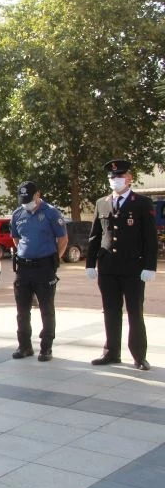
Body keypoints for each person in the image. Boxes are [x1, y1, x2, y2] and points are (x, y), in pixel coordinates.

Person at [86, 159, 158, 371]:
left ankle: (139, 356)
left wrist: (150, 266)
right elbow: (94, 237)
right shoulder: (102, 203)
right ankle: (111, 353)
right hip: (108, 268)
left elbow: (150, 238)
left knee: (135, 312)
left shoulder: (142, 203)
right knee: (110, 311)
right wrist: (90, 263)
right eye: (112, 177)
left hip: (133, 268)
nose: (115, 180)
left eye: (119, 177)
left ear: (129, 178)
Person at [9, 181, 68, 361]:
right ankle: (24, 346)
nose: (26, 202)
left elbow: (63, 239)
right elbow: (16, 239)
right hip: (24, 268)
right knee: (22, 309)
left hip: (44, 267)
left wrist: (53, 261)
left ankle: (46, 347)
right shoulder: (17, 214)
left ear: (37, 195)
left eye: (28, 199)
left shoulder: (51, 213)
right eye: (22, 199)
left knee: (46, 309)